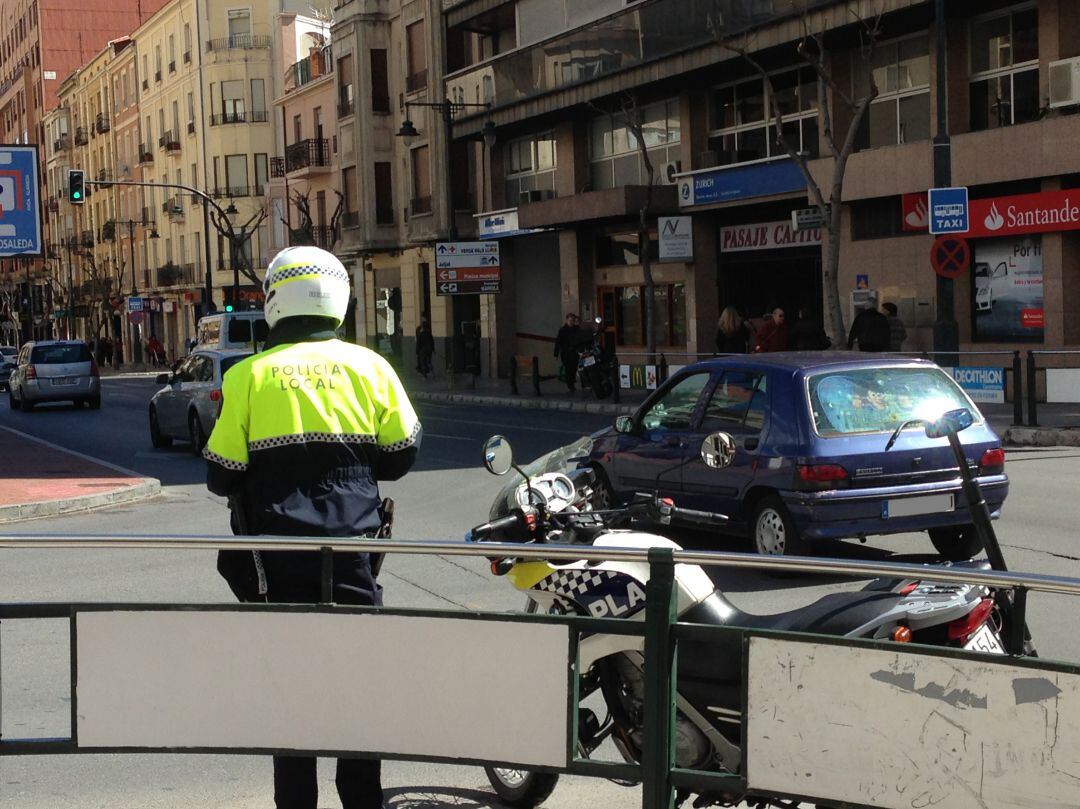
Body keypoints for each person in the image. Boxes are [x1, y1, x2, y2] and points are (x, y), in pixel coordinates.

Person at [204, 245, 421, 809]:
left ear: (276, 300)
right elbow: (400, 455)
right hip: (353, 559)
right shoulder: (373, 367)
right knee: (358, 690)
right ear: (340, 299)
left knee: (292, 697)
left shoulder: (247, 374)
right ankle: (362, 800)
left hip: (275, 564)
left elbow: (221, 475)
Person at [553, 312, 582, 393]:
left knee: (574, 368)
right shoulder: (562, 330)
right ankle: (570, 385)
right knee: (568, 369)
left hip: (574, 352)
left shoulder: (576, 329)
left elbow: (581, 338)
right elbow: (558, 342)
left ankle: (572, 382)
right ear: (567, 320)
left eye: (573, 320)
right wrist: (556, 354)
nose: (571, 322)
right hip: (566, 352)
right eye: (570, 320)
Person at [415, 313, 435, 378]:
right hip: (426, 348)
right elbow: (430, 339)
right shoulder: (426, 328)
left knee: (424, 362)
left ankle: (425, 375)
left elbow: (419, 340)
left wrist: (417, 350)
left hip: (424, 349)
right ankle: (430, 373)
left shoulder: (422, 329)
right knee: (427, 362)